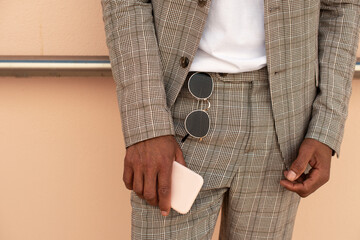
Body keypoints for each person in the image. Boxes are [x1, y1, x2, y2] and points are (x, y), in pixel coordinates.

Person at [100, 0, 360, 239]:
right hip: (176, 110)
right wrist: (147, 124)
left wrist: (326, 127)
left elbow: (342, 6)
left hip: (285, 121)